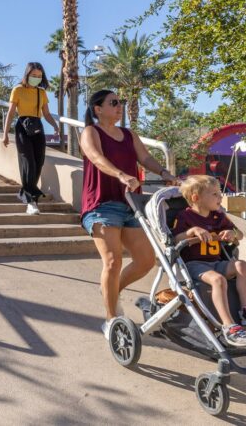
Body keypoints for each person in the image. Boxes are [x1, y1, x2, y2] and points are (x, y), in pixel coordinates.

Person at [79, 87, 176, 335]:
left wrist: (165, 174)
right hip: (101, 203)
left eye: (120, 102)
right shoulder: (91, 131)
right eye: (113, 102)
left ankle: (110, 290)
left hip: (130, 203)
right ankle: (112, 319)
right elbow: (96, 158)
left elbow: (144, 158)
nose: (119, 105)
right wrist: (121, 174)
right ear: (98, 109)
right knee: (112, 261)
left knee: (145, 261)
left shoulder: (128, 134)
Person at [172, 175, 246, 347]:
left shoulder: (218, 216)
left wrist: (232, 234)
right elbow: (175, 239)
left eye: (219, 193)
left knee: (241, 265)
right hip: (194, 265)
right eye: (214, 194)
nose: (220, 197)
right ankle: (229, 326)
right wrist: (192, 231)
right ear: (196, 198)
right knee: (218, 280)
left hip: (216, 262)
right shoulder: (185, 217)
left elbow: (240, 234)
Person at [2, 63, 61, 214]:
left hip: (37, 127)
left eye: (39, 76)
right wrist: (5, 133)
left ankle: (25, 191)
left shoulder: (41, 92)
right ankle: (31, 202)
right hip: (23, 127)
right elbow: (10, 113)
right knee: (28, 163)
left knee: (39, 162)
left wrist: (55, 126)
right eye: (34, 75)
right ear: (27, 75)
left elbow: (46, 114)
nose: (36, 78)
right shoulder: (18, 90)